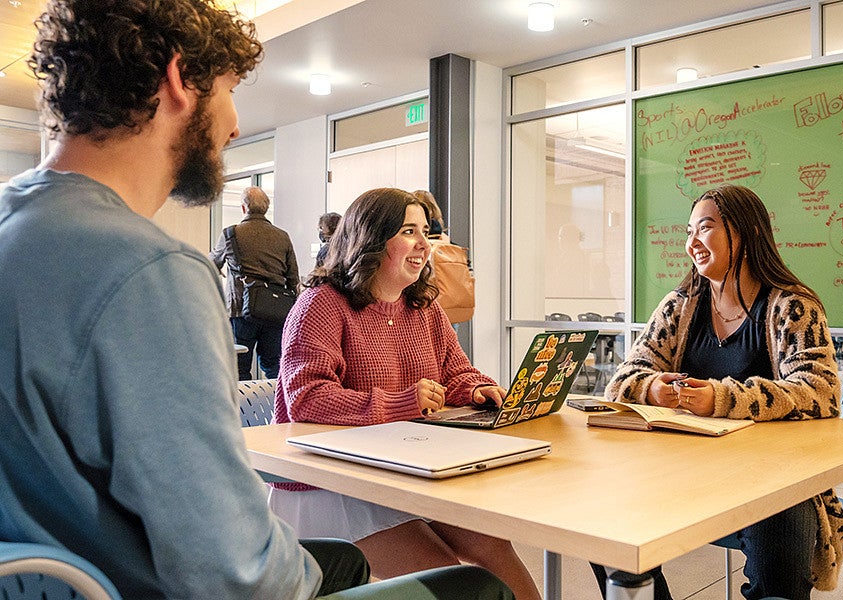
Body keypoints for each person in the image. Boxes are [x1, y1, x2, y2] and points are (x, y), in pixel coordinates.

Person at [0, 2, 514, 599]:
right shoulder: (152, 273)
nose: (236, 123)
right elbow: (236, 569)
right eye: (229, 90)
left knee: (340, 560)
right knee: (476, 589)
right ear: (179, 81)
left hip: (67, 572)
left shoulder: (18, 231)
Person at [271, 187, 542, 600]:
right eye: (408, 231)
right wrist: (401, 402)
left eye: (425, 231)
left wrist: (478, 388)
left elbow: (456, 373)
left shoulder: (423, 307)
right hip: (335, 486)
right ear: (372, 239)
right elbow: (306, 399)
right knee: (449, 577)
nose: (424, 244)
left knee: (494, 547)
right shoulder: (321, 305)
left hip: (408, 470)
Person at [591, 184, 843, 600]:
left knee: (779, 550)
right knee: (602, 520)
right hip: (685, 477)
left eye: (706, 228)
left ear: (745, 233)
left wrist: (724, 398)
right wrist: (654, 388)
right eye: (689, 231)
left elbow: (820, 392)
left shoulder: (791, 306)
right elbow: (622, 381)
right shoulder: (680, 306)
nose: (692, 242)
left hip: (774, 479)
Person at [210, 186, 300, 380]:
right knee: (274, 366)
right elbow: (293, 278)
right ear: (266, 208)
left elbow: (212, 263)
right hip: (275, 312)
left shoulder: (230, 234)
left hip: (241, 309)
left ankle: (244, 411)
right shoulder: (282, 236)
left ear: (244, 208)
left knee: (239, 368)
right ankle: (276, 408)